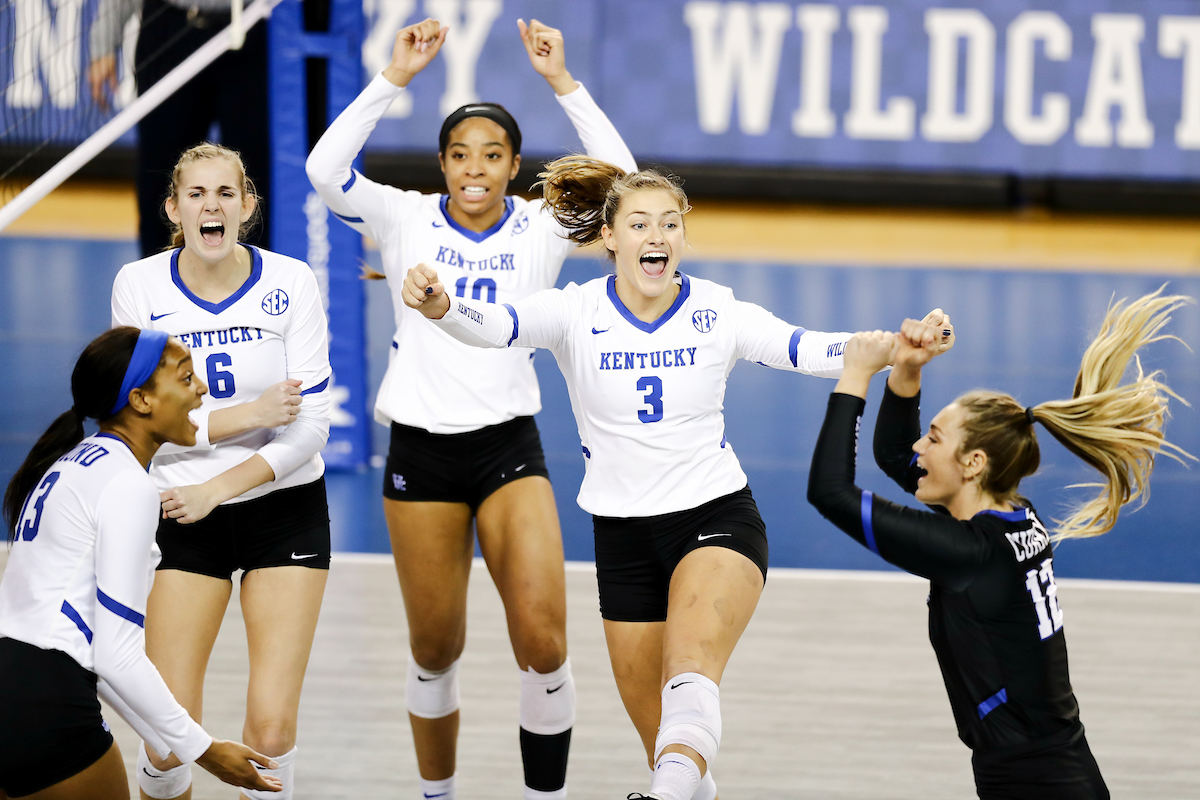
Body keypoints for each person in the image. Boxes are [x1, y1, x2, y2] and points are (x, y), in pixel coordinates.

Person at [401, 156, 947, 800]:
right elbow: (499, 328)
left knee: (689, 680)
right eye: (639, 224)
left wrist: (893, 346)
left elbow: (806, 348)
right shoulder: (574, 311)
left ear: (683, 237)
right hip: (622, 540)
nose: (656, 237)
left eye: (669, 224)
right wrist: (441, 306)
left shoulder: (717, 309)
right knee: (671, 754)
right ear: (610, 238)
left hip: (714, 519)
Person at [304, 18, 636, 800]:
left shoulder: (541, 224)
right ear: (443, 165)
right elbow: (324, 167)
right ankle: (438, 795)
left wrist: (563, 83)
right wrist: (396, 78)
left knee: (546, 643)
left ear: (515, 166)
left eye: (492, 155)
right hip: (420, 453)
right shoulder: (403, 216)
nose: (475, 169)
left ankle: (541, 795)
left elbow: (624, 184)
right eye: (460, 155)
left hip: (507, 450)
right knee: (435, 648)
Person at [806, 288, 1195, 799]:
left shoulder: (970, 551)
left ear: (973, 464)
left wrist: (855, 375)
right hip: (1049, 773)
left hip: (1035, 783)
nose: (921, 447)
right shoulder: (1010, 518)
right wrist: (906, 372)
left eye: (935, 438)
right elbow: (900, 456)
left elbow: (830, 493)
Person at [110, 143, 332, 800]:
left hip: (280, 504)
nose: (213, 206)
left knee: (269, 729)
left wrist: (218, 487)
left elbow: (311, 425)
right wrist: (248, 415)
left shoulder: (290, 281)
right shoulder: (140, 286)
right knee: (167, 737)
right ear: (174, 208)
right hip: (176, 514)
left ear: (248, 206)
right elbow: (140, 420)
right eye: (198, 195)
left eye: (226, 194)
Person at [0, 327, 283, 799]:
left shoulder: (70, 464)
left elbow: (86, 647)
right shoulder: (128, 486)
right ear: (141, 400)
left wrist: (171, 738)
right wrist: (206, 750)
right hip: (51, 706)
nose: (203, 388)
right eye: (186, 377)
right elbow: (117, 653)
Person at [88, 0, 271, 256]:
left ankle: (252, 280)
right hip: (169, 31)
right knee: (162, 176)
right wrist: (103, 42)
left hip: (252, 26)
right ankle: (156, 282)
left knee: (254, 178)